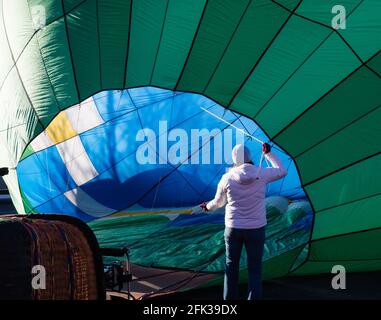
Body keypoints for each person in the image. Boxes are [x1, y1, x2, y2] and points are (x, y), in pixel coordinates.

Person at [200, 143, 287, 300]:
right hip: (256, 229)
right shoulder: (262, 173)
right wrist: (269, 154)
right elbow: (282, 171)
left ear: (234, 159)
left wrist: (207, 207)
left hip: (233, 228)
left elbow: (218, 203)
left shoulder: (227, 178)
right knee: (254, 269)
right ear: (250, 157)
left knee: (230, 267)